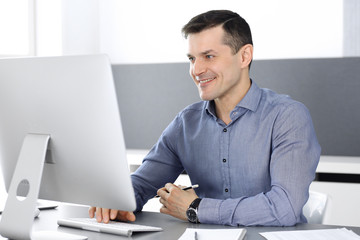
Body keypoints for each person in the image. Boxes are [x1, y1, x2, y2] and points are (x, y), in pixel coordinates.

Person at [89, 9, 321, 226]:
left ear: (244, 56)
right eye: (192, 59)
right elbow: (142, 183)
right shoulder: (185, 124)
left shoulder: (287, 116)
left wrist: (197, 208)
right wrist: (116, 201)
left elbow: (285, 208)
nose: (196, 70)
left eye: (208, 56)